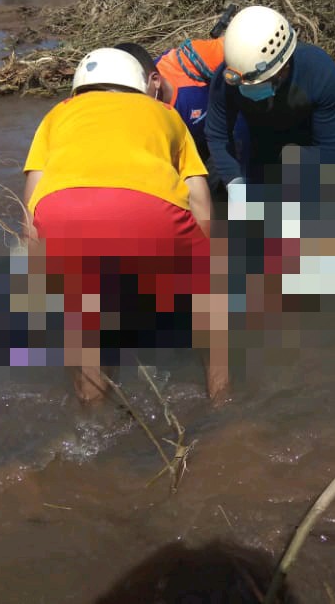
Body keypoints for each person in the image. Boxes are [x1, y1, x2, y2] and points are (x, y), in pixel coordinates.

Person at [22, 47, 227, 404]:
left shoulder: (57, 115)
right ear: (139, 84)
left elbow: (31, 202)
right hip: (151, 209)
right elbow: (198, 199)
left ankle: (94, 426)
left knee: (85, 325)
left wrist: (38, 272)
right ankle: (224, 406)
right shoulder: (164, 113)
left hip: (63, 213)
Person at [116, 34, 335, 218]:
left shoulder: (195, 61)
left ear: (153, 80)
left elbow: (250, 51)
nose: (136, 112)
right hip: (214, 142)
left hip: (250, 123)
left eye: (137, 102)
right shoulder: (135, 118)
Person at [203, 4, 335, 220]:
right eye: (243, 84)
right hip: (256, 132)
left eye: (255, 84)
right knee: (252, 215)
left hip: (311, 126)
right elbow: (217, 135)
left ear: (282, 69)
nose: (246, 89)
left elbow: (325, 151)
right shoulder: (225, 80)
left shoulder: (320, 72)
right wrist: (237, 188)